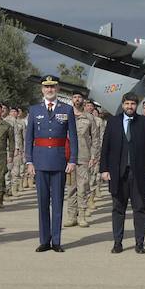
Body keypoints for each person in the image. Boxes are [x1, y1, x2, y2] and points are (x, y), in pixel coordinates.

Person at [99, 93, 145, 254]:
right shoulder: (113, 122)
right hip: (118, 173)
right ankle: (117, 242)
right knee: (118, 209)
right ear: (122, 105)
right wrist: (104, 169)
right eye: (127, 103)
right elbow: (105, 147)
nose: (129, 106)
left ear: (136, 105)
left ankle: (139, 243)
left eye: (132, 104)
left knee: (139, 208)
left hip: (140, 173)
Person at [24, 76, 78, 253]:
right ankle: (44, 240)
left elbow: (73, 137)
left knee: (57, 202)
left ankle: (56, 241)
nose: (49, 90)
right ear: (42, 89)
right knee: (42, 202)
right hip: (40, 161)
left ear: (58, 89)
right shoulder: (34, 110)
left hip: (59, 161)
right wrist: (29, 161)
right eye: (46, 87)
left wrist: (72, 160)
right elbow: (29, 138)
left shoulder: (67, 109)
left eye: (53, 87)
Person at [65, 94, 95, 227]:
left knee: (83, 187)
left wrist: (94, 156)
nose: (77, 99)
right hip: (68, 157)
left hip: (84, 156)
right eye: (74, 97)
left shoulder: (89, 117)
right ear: (71, 100)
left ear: (83, 100)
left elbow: (95, 138)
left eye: (79, 97)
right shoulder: (66, 116)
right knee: (71, 188)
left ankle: (82, 215)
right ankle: (71, 216)